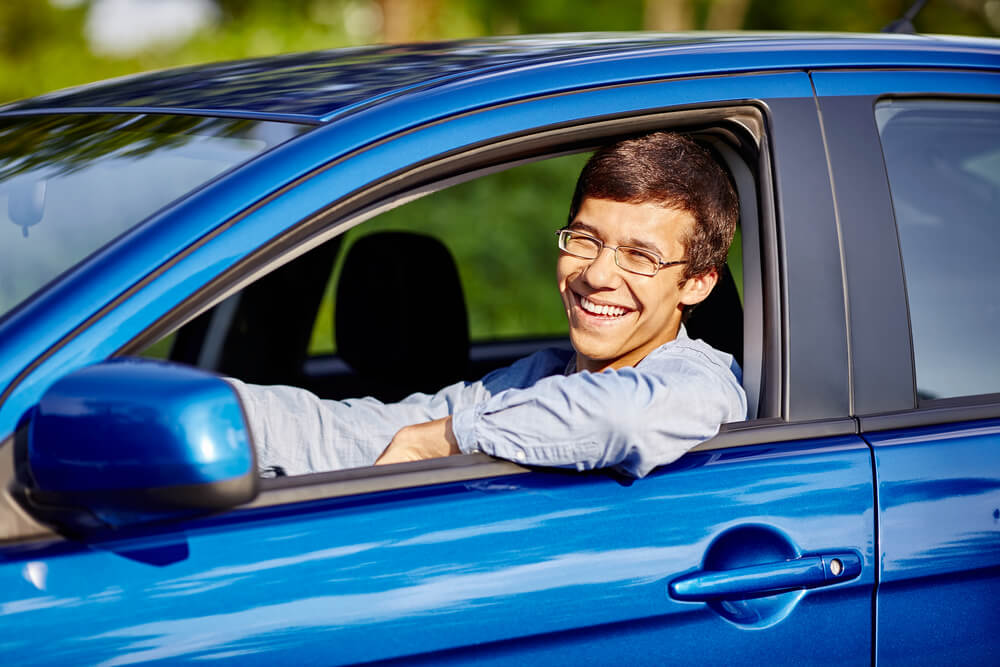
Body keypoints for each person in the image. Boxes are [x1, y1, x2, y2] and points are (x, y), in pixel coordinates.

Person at [227, 131, 747, 479]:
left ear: (698, 282)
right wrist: (220, 408)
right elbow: (374, 431)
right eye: (585, 240)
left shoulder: (700, 381)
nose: (597, 274)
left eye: (640, 257)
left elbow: (621, 418)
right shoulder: (537, 379)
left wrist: (449, 438)